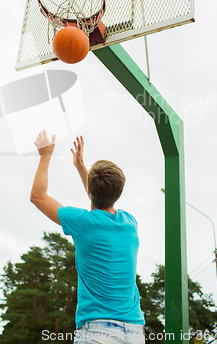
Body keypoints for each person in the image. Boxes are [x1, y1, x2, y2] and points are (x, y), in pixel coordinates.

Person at [31, 130, 145, 344]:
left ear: (90, 191)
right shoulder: (130, 224)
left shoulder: (82, 222)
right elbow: (99, 199)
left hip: (97, 333)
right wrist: (81, 166)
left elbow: (38, 196)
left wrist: (46, 156)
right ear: (119, 192)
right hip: (134, 333)